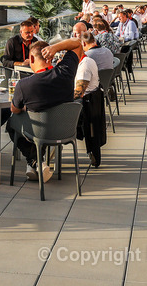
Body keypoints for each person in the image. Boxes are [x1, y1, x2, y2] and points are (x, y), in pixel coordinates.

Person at [8, 39, 79, 181]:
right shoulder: (66, 72)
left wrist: (24, 107)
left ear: (32, 58)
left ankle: (34, 160)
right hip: (65, 131)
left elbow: (14, 110)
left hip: (39, 132)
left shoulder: (24, 84)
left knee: (11, 124)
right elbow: (78, 43)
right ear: (51, 57)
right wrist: (55, 48)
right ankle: (37, 160)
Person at [43, 35, 106, 166]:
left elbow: (78, 93)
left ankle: (44, 157)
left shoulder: (85, 65)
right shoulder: (79, 63)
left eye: (67, 52)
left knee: (47, 119)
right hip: (84, 104)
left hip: (83, 108)